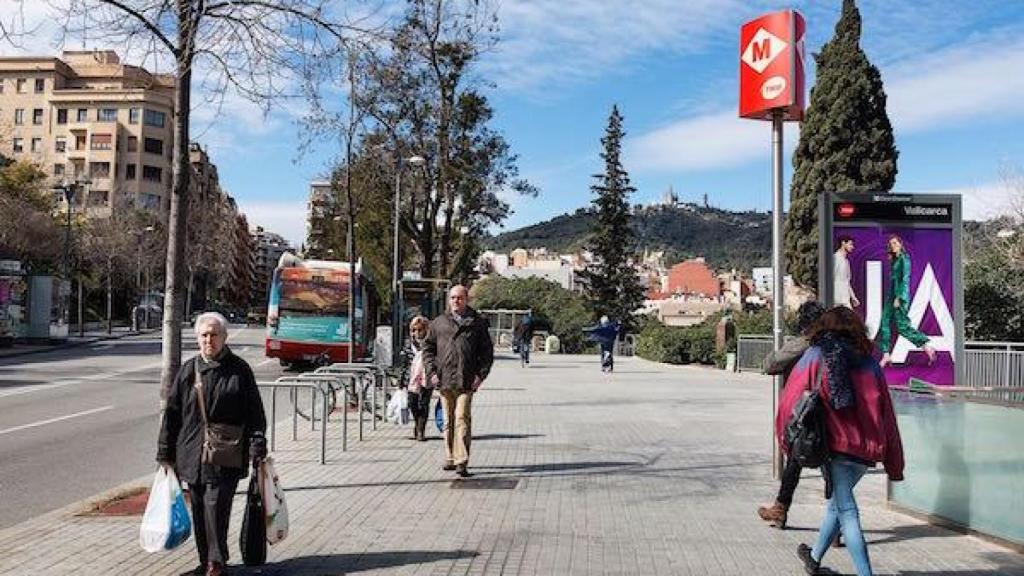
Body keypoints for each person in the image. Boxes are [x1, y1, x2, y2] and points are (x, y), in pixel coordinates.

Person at [777, 306, 905, 576]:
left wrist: (785, 439)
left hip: (836, 447)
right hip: (866, 449)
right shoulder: (870, 363)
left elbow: (791, 399)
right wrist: (895, 462)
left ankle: (865, 573)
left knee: (847, 511)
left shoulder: (816, 355)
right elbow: (888, 415)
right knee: (837, 504)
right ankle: (813, 558)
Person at [157, 312, 267, 576]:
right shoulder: (187, 371)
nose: (209, 340)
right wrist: (165, 453)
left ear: (224, 337)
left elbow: (255, 413)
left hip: (225, 453)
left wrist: (257, 443)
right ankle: (205, 559)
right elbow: (172, 415)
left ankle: (217, 562)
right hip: (192, 453)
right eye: (204, 335)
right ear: (197, 338)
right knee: (199, 511)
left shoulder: (239, 370)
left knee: (216, 507)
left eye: (214, 334)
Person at [757, 301, 826, 528]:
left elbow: (769, 363)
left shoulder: (805, 344)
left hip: (803, 413)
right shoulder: (834, 345)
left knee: (796, 461)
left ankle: (782, 508)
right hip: (827, 411)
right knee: (825, 465)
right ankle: (835, 522)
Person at [422, 285, 494, 478]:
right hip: (444, 379)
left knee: (461, 418)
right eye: (453, 298)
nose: (456, 301)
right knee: (448, 420)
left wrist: (481, 375)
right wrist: (432, 373)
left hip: (466, 379)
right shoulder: (439, 323)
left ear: (466, 299)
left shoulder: (477, 323)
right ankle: (450, 457)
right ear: (449, 300)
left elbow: (487, 352)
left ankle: (462, 461)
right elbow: (428, 349)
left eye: (459, 298)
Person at [877, 234, 936, 367]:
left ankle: (926, 346)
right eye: (891, 244)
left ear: (900, 245)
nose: (893, 246)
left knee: (902, 327)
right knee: (884, 323)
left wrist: (899, 297)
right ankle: (886, 354)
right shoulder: (894, 260)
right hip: (890, 296)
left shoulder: (904, 259)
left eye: (895, 243)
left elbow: (905, 279)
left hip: (900, 296)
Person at [403, 315, 433, 441]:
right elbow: (404, 361)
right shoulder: (409, 344)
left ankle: (421, 430)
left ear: (426, 329)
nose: (417, 333)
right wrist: (401, 379)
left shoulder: (431, 343)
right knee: (412, 403)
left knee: (424, 404)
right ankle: (417, 424)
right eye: (414, 330)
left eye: (420, 330)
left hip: (427, 378)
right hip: (412, 379)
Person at [833, 236, 860, 309]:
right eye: (850, 244)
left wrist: (853, 297)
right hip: (836, 299)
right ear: (843, 243)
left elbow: (847, 282)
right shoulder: (835, 258)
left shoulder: (846, 261)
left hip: (845, 299)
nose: (852, 247)